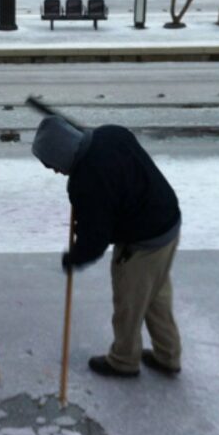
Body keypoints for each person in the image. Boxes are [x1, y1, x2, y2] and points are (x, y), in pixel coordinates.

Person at [32, 116, 182, 378]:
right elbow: (117, 192)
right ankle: (167, 355)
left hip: (142, 243)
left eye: (52, 165)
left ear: (61, 154)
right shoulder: (110, 134)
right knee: (156, 296)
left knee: (129, 304)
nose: (55, 171)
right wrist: (91, 222)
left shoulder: (86, 180)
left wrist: (75, 257)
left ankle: (124, 361)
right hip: (167, 224)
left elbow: (96, 238)